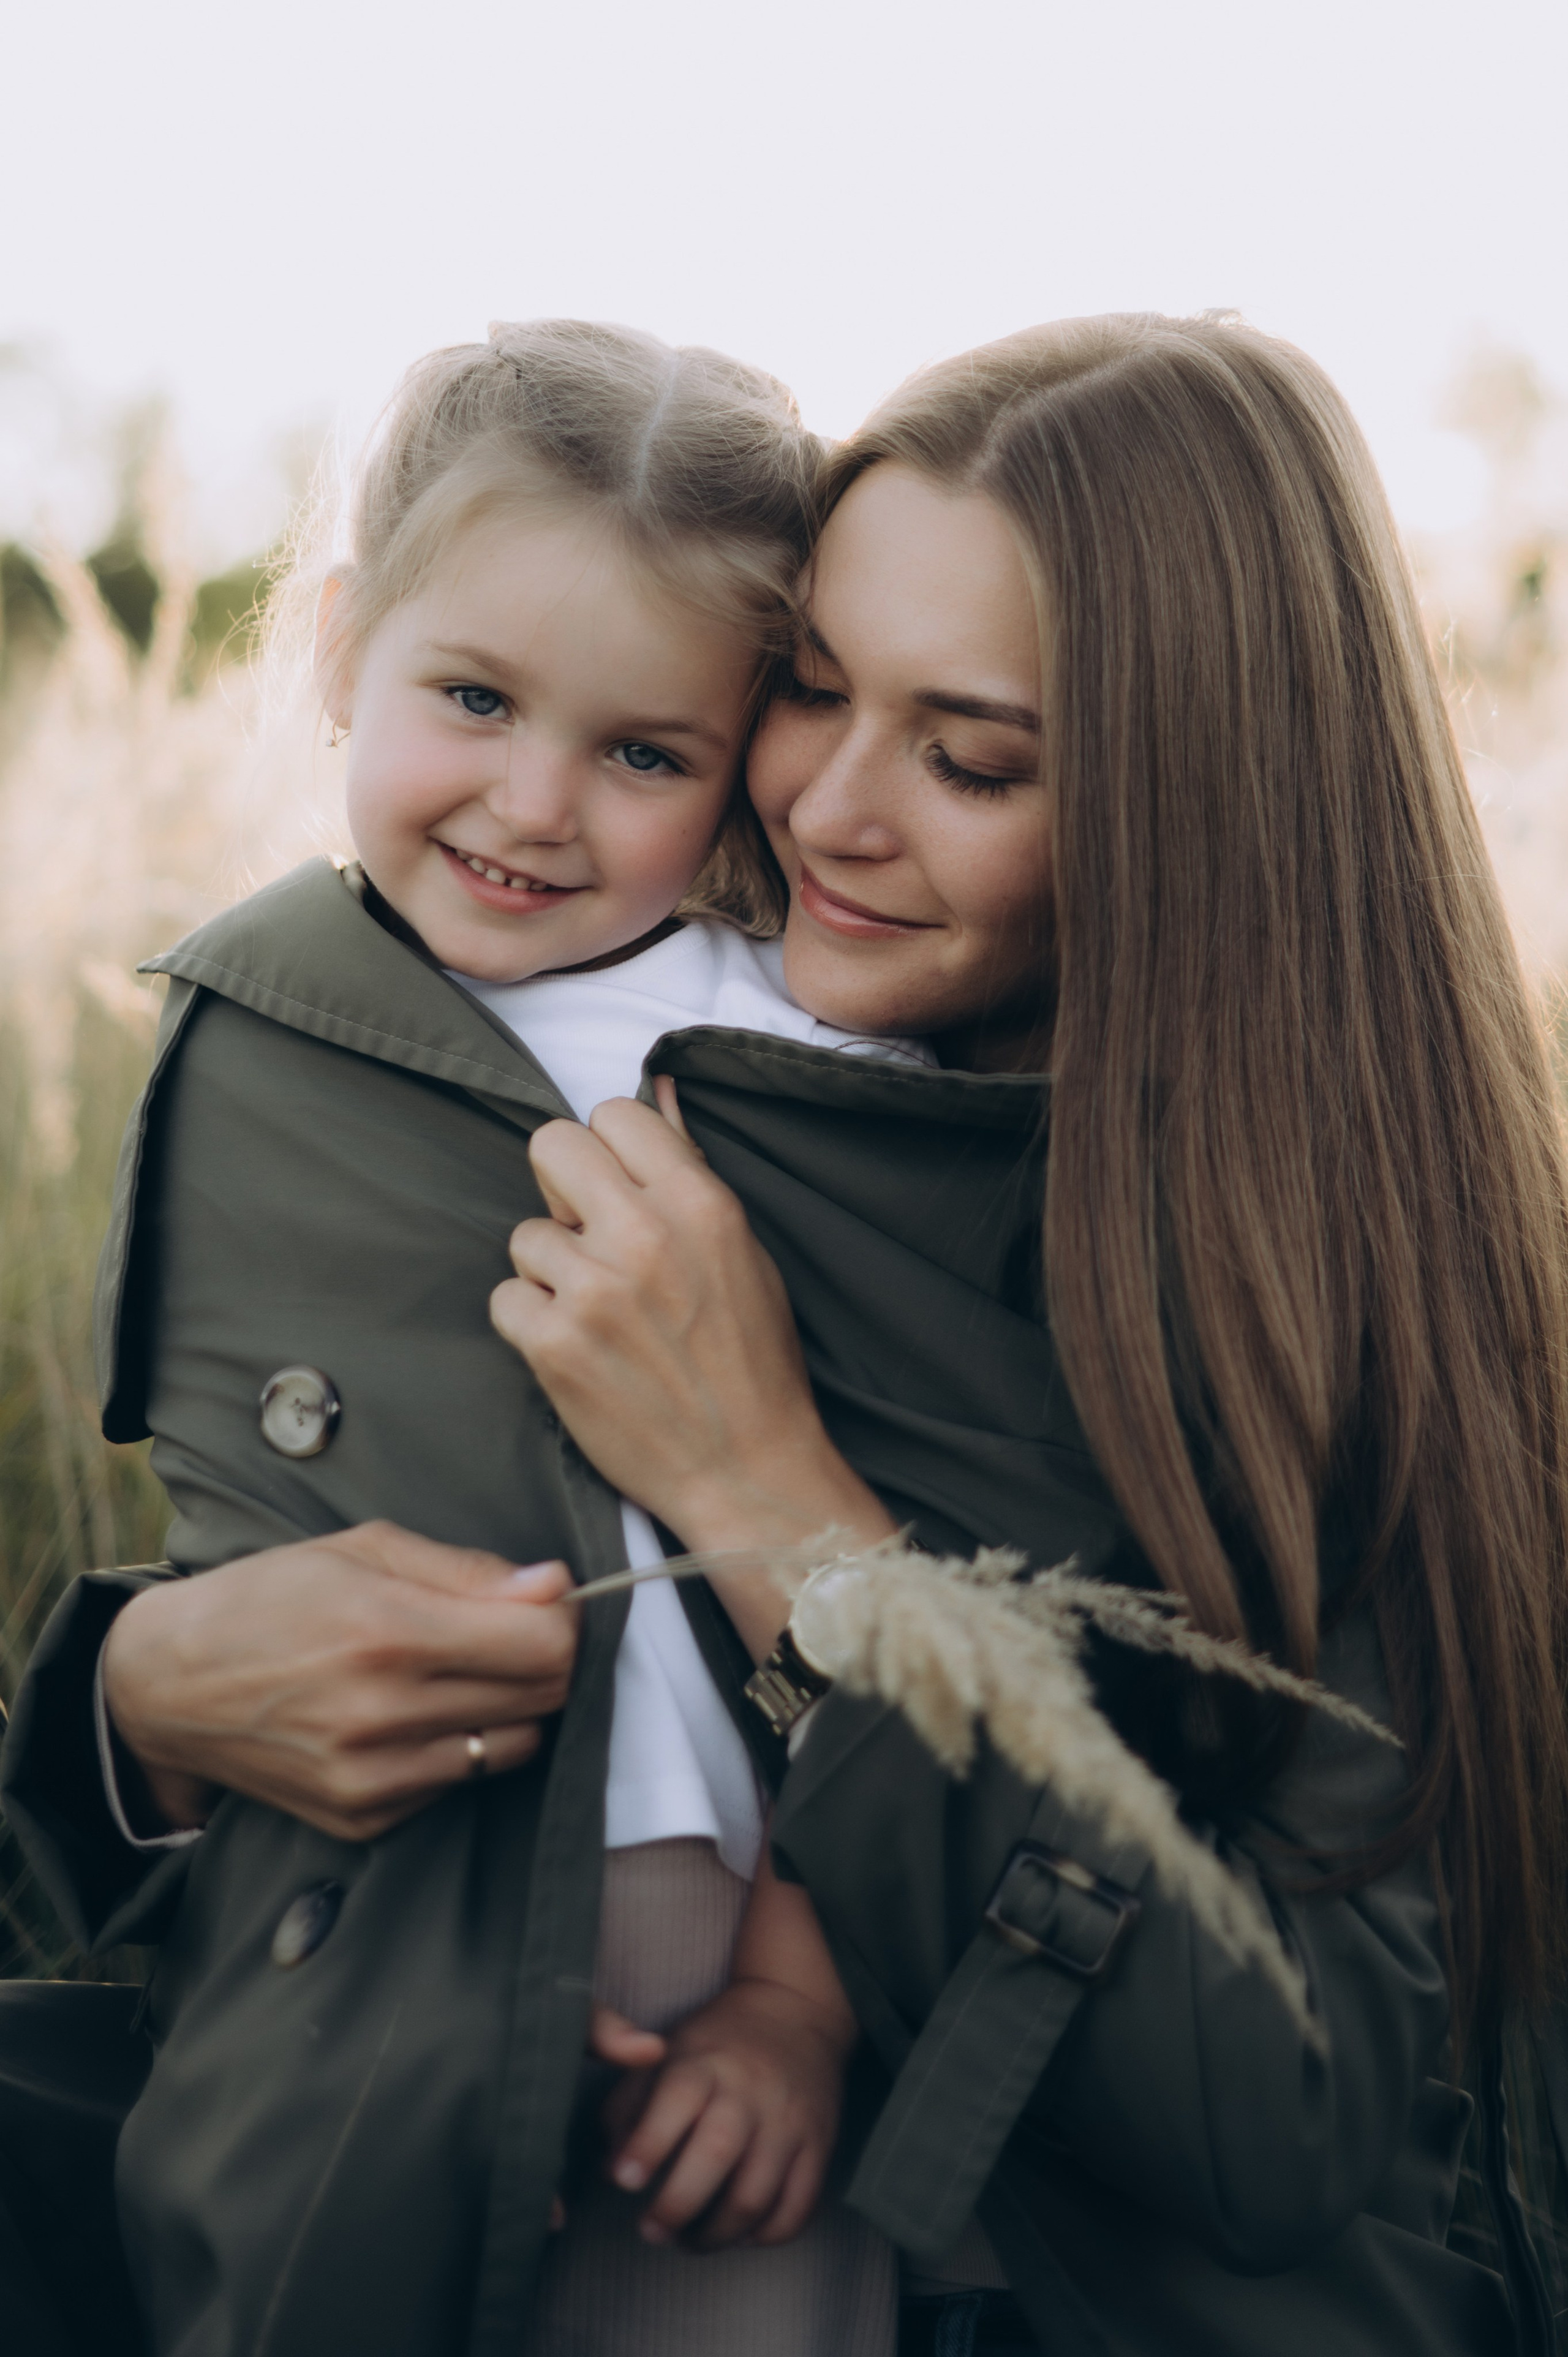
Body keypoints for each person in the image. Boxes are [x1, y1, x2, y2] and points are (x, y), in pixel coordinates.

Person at [484, 314, 1568, 2355]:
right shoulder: (628, 1020)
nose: (828, 806)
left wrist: (778, 1509)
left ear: (1198, 811)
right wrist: (146, 1710)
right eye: (814, 686)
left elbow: (1283, 2117)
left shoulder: (1341, 1307)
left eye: (971, 759)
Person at [2, 317, 907, 2357]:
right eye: (476, 698)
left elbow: (912, 1539)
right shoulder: (248, 1030)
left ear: (746, 762)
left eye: (646, 753)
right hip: (367, 1917)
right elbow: (237, 1533)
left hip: (735, 1926)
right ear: (344, 645)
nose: (534, 803)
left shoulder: (795, 1048)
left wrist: (796, 2000)